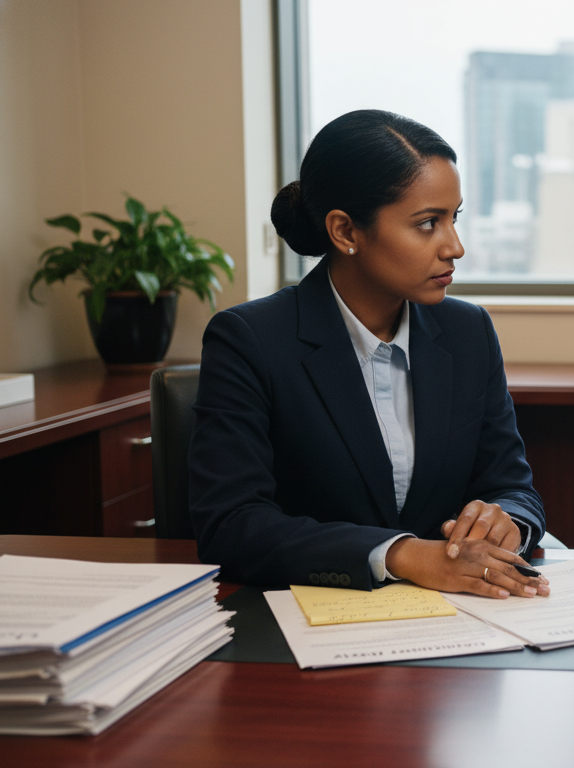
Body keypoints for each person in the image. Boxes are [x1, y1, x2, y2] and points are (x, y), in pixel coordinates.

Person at [190, 109, 549, 598]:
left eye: (454, 218)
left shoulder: (468, 331)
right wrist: (400, 555)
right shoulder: (250, 340)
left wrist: (506, 522)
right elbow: (231, 525)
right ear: (345, 232)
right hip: (308, 624)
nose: (455, 247)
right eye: (427, 224)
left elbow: (514, 487)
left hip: (457, 626)